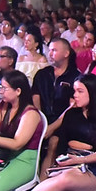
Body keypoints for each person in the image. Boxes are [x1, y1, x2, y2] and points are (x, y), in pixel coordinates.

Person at [31, 38, 80, 177]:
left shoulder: (75, 77)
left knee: (54, 142)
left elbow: (73, 107)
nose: (50, 53)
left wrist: (52, 127)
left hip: (64, 122)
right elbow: (36, 97)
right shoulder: (42, 74)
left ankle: (42, 184)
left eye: (54, 50)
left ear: (66, 53)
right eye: (50, 50)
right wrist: (39, 121)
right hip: (42, 119)